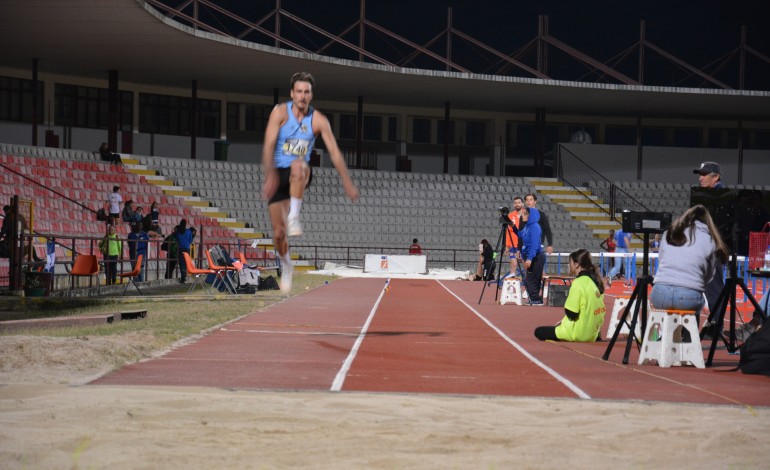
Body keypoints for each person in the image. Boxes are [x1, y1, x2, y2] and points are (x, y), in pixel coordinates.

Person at [261, 72, 359, 295]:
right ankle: (286, 265)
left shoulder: (318, 120)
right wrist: (269, 175)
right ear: (292, 93)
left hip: (300, 173)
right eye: (299, 92)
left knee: (298, 166)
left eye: (306, 92)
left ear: (311, 95)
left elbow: (334, 152)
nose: (303, 96)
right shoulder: (279, 112)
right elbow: (268, 145)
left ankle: (295, 216)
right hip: (278, 174)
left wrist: (347, 183)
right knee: (278, 234)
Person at [650, 205, 729, 327]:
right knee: (693, 296)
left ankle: (667, 336)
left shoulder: (668, 233)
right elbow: (710, 275)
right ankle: (688, 338)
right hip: (688, 298)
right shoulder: (710, 240)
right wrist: (696, 284)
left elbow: (662, 261)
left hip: (659, 295)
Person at [534, 249, 607, 341]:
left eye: (570, 263)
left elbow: (571, 313)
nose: (569, 265)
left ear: (576, 265)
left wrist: (563, 324)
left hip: (577, 333)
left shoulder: (579, 282)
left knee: (538, 331)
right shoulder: (596, 282)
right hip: (593, 334)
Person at [693, 161, 726, 326]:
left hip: (712, 249)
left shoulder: (720, 196)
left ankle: (716, 327)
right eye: (700, 174)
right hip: (707, 247)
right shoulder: (710, 195)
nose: (700, 178)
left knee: (713, 289)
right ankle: (713, 325)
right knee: (707, 288)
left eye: (704, 174)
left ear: (716, 177)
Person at [519, 206, 546, 306]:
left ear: (531, 216)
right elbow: (520, 235)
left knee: (532, 279)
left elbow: (535, 245)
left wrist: (529, 259)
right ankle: (534, 298)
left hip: (536, 257)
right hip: (532, 256)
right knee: (530, 279)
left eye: (525, 214)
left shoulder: (534, 227)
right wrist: (512, 226)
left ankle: (536, 299)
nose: (523, 215)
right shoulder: (527, 227)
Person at [505, 197, 523, 279]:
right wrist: (507, 246)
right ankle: (512, 275)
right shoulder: (510, 216)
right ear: (513, 204)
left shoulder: (526, 215)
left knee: (525, 262)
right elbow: (508, 232)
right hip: (513, 244)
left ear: (522, 204)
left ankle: (529, 280)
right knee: (513, 262)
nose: (517, 204)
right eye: (515, 203)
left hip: (523, 244)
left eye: (519, 202)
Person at [175, 219, 196, 284]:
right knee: (186, 262)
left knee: (182, 263)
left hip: (181, 248)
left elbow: (177, 239)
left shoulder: (178, 232)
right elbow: (190, 240)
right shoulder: (189, 231)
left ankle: (183, 277)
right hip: (187, 249)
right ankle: (185, 276)